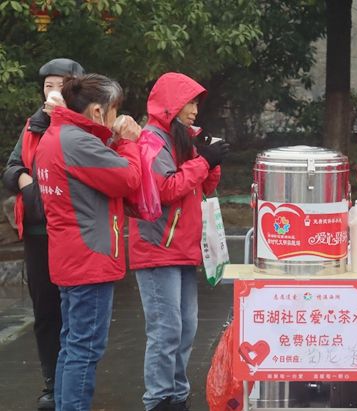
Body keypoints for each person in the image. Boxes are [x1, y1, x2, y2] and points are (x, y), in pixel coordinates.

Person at [34, 73, 142, 411]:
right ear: (97, 111)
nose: (115, 118)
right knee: (85, 349)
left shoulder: (56, 136)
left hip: (71, 254)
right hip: (89, 258)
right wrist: (128, 143)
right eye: (114, 110)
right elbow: (128, 178)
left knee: (72, 345)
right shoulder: (77, 142)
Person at [127, 72, 229, 411]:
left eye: (197, 104)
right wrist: (204, 160)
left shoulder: (180, 138)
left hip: (182, 248)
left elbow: (205, 187)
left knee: (185, 327)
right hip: (158, 247)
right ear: (172, 104)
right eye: (189, 103)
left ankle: (177, 395)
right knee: (166, 329)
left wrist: (209, 161)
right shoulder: (152, 141)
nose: (195, 111)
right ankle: (158, 398)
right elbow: (167, 189)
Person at [2, 58, 84, 410]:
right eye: (48, 86)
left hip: (75, 232)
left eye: (60, 86)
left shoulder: (84, 125)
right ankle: (51, 382)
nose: (53, 92)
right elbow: (11, 168)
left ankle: (74, 381)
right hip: (39, 233)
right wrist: (29, 184)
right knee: (46, 310)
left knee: (77, 312)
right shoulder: (33, 125)